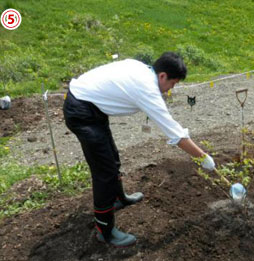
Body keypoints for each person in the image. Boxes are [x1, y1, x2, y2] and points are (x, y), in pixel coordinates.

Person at [63, 52, 215, 247]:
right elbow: (175, 134)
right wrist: (203, 157)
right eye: (173, 83)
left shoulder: (142, 68)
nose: (170, 90)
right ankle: (105, 230)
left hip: (92, 105)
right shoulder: (147, 89)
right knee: (104, 173)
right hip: (82, 111)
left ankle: (118, 198)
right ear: (162, 76)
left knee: (112, 159)